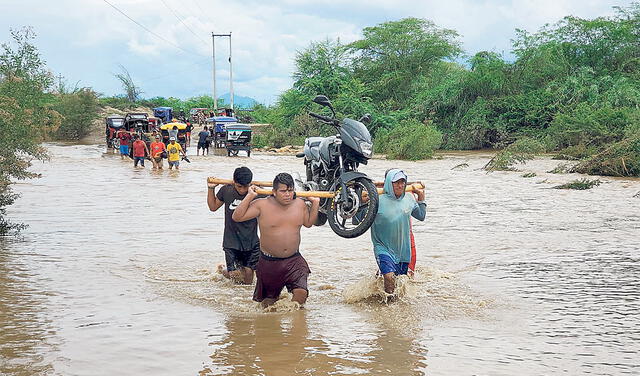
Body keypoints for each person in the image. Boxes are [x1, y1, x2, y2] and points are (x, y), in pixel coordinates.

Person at [232, 173, 320, 307]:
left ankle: (296, 322)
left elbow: (308, 223)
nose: (287, 195)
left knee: (301, 293)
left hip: (294, 260)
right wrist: (249, 196)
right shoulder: (261, 204)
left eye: (290, 191)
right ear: (274, 191)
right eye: (283, 191)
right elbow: (237, 217)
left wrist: (315, 203)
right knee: (268, 305)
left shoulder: (300, 204)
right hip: (269, 262)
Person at [370, 169, 426, 295]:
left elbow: (421, 216)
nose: (400, 185)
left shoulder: (409, 198)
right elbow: (358, 221)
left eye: (403, 182)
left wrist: (421, 198)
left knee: (399, 282)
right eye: (396, 182)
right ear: (389, 183)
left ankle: (397, 309)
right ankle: (387, 310)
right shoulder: (377, 200)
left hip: (403, 250)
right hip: (383, 247)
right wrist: (362, 204)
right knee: (389, 277)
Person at [207, 167, 262, 284]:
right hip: (231, 241)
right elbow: (213, 207)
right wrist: (210, 188)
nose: (242, 190)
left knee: (248, 278)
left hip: (251, 241)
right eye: (239, 187)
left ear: (250, 183)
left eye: (245, 187)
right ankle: (223, 270)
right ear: (234, 182)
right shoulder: (226, 190)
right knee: (235, 276)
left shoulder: (258, 194)